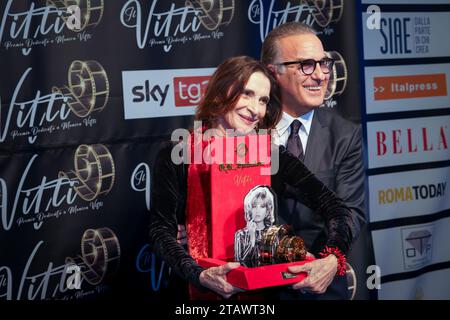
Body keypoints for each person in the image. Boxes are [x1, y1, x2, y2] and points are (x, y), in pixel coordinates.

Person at [149, 55, 354, 299]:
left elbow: (337, 209)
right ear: (219, 92)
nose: (256, 109)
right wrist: (200, 274)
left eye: (263, 100)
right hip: (195, 294)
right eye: (246, 94)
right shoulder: (178, 153)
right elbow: (160, 230)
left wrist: (332, 258)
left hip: (262, 294)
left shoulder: (271, 156)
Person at [261, 22, 366, 299]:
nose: (320, 75)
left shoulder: (345, 134)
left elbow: (352, 212)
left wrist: (331, 262)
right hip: (259, 291)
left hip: (322, 288)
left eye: (324, 63)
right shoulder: (246, 130)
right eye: (307, 65)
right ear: (274, 74)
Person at [234, 186, 275, 263]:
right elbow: (240, 262)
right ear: (249, 209)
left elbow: (274, 260)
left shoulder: (272, 233)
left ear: (267, 211)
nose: (257, 210)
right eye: (254, 206)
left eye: (262, 206)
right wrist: (252, 240)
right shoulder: (240, 234)